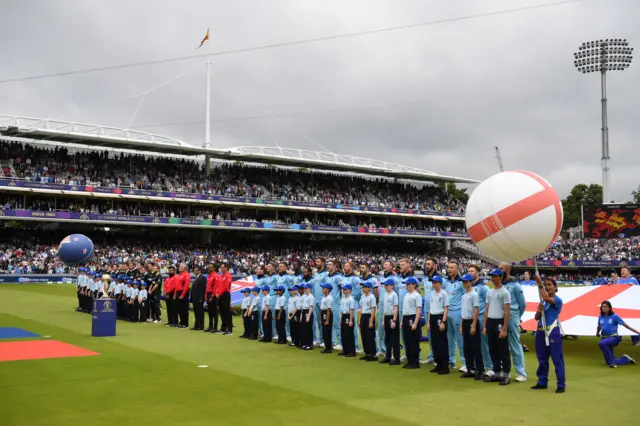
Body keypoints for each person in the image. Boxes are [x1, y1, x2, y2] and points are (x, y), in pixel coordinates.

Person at [531, 274, 566, 393]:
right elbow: (536, 318)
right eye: (546, 285)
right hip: (540, 331)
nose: (547, 287)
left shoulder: (557, 300)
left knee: (557, 359)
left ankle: (561, 384)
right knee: (542, 358)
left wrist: (539, 284)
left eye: (550, 285)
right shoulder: (543, 301)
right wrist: (539, 310)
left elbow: (547, 299)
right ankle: (542, 382)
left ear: (556, 287)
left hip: (552, 332)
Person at [500, 263, 528, 382]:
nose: (498, 270)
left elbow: (523, 304)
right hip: (499, 317)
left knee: (515, 345)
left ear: (507, 270)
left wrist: (516, 316)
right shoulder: (499, 285)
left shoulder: (515, 286)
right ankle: (505, 370)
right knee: (502, 346)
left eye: (501, 268)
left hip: (512, 316)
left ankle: (521, 372)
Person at [484, 268, 512, 386]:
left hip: (500, 321)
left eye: (495, 276)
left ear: (500, 277)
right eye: (492, 276)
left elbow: (507, 312)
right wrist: (485, 326)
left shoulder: (505, 292)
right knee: (492, 349)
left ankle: (506, 374)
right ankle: (496, 373)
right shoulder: (490, 292)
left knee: (503, 349)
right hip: (491, 321)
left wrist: (505, 328)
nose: (493, 278)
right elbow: (487, 309)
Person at [596, 300, 639, 367]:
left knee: (601, 343)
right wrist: (597, 333)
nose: (604, 308)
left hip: (614, 337)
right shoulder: (600, 317)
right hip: (604, 337)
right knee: (609, 360)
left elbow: (627, 326)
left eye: (606, 306)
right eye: (602, 306)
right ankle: (626, 359)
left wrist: (637, 332)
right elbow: (599, 326)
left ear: (610, 308)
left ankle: (612, 364)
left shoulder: (615, 316)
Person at [469, 264, 492, 377]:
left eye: (472, 271)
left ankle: (490, 367)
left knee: (484, 344)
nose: (470, 273)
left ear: (478, 273)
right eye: (468, 271)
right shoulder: (467, 287)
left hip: (481, 317)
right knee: (473, 344)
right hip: (470, 318)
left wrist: (486, 321)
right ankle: (476, 366)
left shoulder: (483, 287)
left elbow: (488, 304)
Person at [443, 261, 465, 372]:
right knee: (450, 339)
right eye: (448, 267)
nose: (449, 269)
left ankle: (465, 362)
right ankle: (451, 361)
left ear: (457, 269)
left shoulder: (461, 282)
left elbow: (465, 297)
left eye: (452, 267)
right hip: (447, 312)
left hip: (457, 312)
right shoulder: (445, 282)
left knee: (460, 339)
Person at [460, 274, 483, 380]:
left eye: (466, 281)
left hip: (472, 321)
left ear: (471, 282)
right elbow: (463, 312)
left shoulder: (474, 294)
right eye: (463, 282)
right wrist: (461, 325)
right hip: (465, 321)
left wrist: (473, 325)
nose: (464, 283)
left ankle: (479, 370)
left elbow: (476, 310)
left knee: (475, 347)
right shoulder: (464, 295)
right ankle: (470, 368)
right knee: (467, 347)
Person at [428, 275, 449, 374]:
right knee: (435, 343)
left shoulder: (443, 293)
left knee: (441, 343)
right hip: (433, 317)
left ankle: (445, 366)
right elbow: (430, 308)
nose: (434, 285)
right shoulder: (432, 294)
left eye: (436, 283)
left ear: (440, 284)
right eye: (433, 283)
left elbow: (446, 308)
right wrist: (428, 322)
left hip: (440, 317)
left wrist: (443, 322)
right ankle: (438, 364)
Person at [376, 260, 397, 357]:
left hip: (390, 307)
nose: (384, 265)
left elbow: (395, 292)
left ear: (391, 267)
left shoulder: (394, 278)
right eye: (384, 264)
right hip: (382, 305)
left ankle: (391, 350)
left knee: (390, 331)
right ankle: (382, 349)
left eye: (386, 264)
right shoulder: (381, 277)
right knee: (381, 328)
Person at [616, 267, 640, 346]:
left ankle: (635, 340)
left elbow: (638, 290)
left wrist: (634, 286)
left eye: (624, 270)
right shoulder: (618, 281)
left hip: (630, 305)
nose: (622, 272)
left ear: (629, 272)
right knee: (619, 322)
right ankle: (618, 340)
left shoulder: (633, 279)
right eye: (621, 270)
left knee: (632, 322)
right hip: (620, 304)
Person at [402, 276, 422, 370]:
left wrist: (415, 323)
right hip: (406, 317)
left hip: (412, 317)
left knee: (413, 341)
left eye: (408, 284)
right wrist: (402, 320)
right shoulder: (406, 295)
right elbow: (404, 309)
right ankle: (410, 360)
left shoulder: (417, 295)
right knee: (407, 340)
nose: (407, 286)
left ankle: (415, 361)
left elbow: (418, 310)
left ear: (414, 285)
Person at [379, 277, 400, 365]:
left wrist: (394, 320)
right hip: (387, 316)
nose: (385, 287)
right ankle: (387, 356)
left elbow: (395, 307)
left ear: (392, 286)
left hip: (392, 316)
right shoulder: (386, 295)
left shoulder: (394, 295)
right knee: (387, 338)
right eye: (385, 285)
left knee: (394, 338)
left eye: (387, 285)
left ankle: (396, 358)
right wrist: (383, 320)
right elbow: (384, 308)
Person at [312, 258, 329, 348]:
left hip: (323, 300)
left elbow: (327, 287)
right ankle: (320, 339)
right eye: (316, 261)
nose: (316, 263)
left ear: (323, 263)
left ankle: (325, 340)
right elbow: (314, 287)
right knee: (318, 321)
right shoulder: (315, 274)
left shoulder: (326, 274)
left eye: (318, 262)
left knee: (324, 321)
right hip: (316, 299)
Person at [359, 281, 377, 361]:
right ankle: (367, 352)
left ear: (369, 288)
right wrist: (360, 319)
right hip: (363, 315)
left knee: (370, 335)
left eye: (365, 287)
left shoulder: (372, 297)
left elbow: (373, 309)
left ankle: (372, 354)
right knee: (364, 335)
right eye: (363, 287)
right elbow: (361, 308)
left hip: (369, 316)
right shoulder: (363, 297)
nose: (363, 289)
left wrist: (371, 321)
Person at [339, 283, 356, 357]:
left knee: (349, 334)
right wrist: (341, 319)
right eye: (343, 289)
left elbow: (351, 310)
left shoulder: (351, 299)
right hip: (344, 316)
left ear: (349, 290)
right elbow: (342, 310)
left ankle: (351, 351)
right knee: (343, 333)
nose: (343, 290)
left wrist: (351, 320)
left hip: (349, 316)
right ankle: (345, 349)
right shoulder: (343, 299)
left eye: (345, 289)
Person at [217, 263, 233, 335]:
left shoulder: (228, 276)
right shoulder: (220, 276)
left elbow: (226, 286)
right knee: (222, 312)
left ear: (226, 268)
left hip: (225, 294)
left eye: (223, 267)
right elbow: (218, 286)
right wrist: (217, 293)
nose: (221, 268)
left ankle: (229, 329)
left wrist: (219, 294)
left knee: (227, 312)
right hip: (220, 295)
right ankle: (223, 328)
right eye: (221, 267)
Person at [190, 266, 206, 331]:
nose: (195, 271)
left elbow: (202, 289)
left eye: (196, 270)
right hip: (195, 298)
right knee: (196, 312)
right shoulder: (197, 278)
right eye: (194, 270)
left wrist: (201, 298)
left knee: (200, 312)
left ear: (199, 271)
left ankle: (200, 326)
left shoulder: (202, 278)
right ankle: (196, 325)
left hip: (199, 298)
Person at [320, 283, 334, 354]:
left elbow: (328, 309)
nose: (322, 289)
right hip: (323, 313)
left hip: (327, 313)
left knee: (327, 331)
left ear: (327, 290)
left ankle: (329, 347)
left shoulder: (329, 298)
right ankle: (327, 346)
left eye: (324, 288)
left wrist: (327, 320)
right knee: (324, 332)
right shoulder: (324, 297)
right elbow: (321, 309)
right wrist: (321, 319)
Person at [176, 263, 191, 329]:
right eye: (179, 266)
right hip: (178, 292)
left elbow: (186, 286)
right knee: (179, 308)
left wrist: (183, 294)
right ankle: (181, 321)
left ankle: (185, 323)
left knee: (184, 308)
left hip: (183, 292)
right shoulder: (179, 275)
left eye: (180, 266)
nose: (179, 267)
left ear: (184, 268)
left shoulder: (186, 275)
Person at [301, 283, 315, 350]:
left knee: (308, 329)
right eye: (304, 288)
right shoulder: (303, 296)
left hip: (308, 312)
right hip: (304, 311)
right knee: (303, 329)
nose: (304, 289)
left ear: (309, 289)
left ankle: (310, 344)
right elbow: (302, 307)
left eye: (306, 288)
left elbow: (311, 307)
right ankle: (305, 343)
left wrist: (308, 316)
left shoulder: (311, 297)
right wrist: (301, 315)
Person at [205, 264, 219, 332]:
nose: (209, 268)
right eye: (209, 267)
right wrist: (206, 296)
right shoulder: (209, 276)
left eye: (211, 267)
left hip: (212, 294)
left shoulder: (215, 276)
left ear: (214, 268)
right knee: (209, 311)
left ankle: (215, 327)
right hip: (208, 294)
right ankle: (210, 326)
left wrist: (212, 296)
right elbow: (207, 287)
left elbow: (215, 287)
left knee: (214, 311)